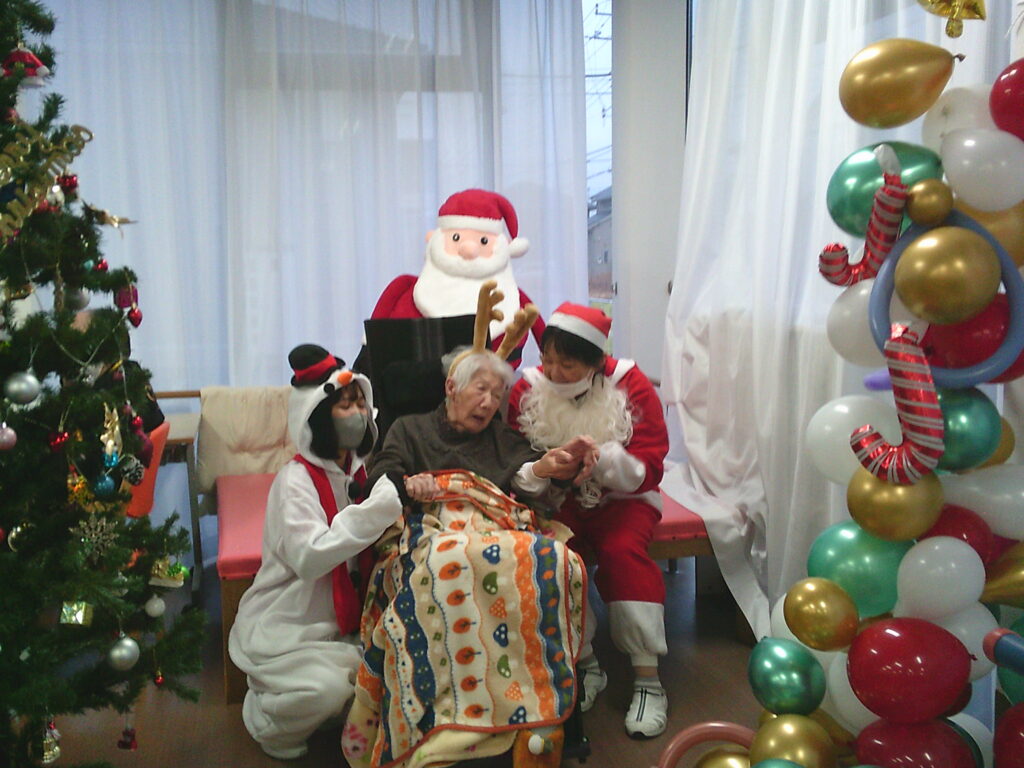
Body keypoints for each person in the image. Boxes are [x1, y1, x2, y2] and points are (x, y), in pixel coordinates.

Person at [342, 295, 598, 768]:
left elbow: (526, 478)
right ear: (451, 387)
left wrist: (547, 466)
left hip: (496, 526)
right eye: (481, 390)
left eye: (497, 395)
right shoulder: (410, 429)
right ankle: (448, 720)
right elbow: (382, 475)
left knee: (553, 559)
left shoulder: (501, 438)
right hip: (435, 527)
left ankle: (531, 710)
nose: (489, 402)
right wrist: (407, 485)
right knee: (447, 563)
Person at [228, 344, 404, 760]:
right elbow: (310, 557)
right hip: (292, 624)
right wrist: (375, 511)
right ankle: (268, 719)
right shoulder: (295, 482)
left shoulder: (357, 472)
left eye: (360, 402)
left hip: (344, 624)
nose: (358, 413)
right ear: (319, 417)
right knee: (325, 691)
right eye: (345, 405)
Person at [507, 302, 671, 739]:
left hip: (624, 498)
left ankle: (648, 680)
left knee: (622, 552)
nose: (554, 372)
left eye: (568, 364)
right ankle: (586, 664)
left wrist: (608, 461)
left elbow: (651, 464)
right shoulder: (527, 388)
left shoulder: (630, 384)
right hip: (554, 500)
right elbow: (509, 458)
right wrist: (543, 469)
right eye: (548, 360)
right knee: (551, 558)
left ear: (597, 362)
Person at [363, 188, 545, 368]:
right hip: (409, 381)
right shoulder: (404, 286)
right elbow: (374, 333)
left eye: (483, 241)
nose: (469, 250)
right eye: (456, 238)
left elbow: (544, 339)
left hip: (490, 383)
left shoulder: (513, 296)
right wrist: (363, 363)